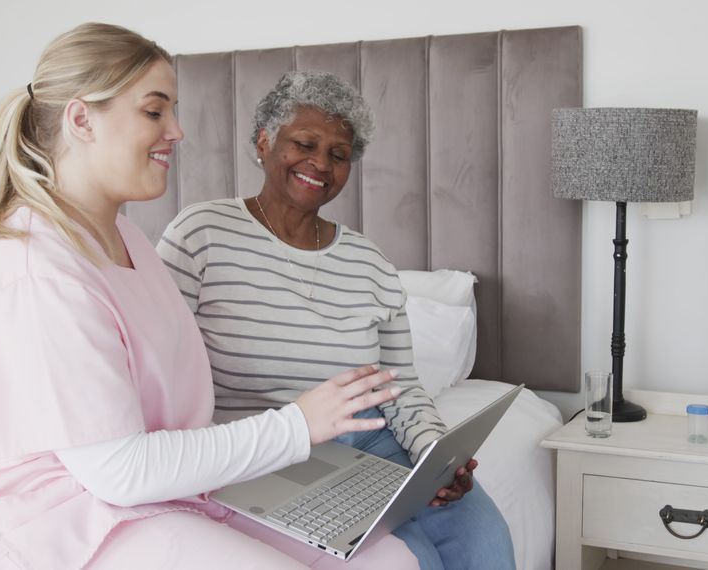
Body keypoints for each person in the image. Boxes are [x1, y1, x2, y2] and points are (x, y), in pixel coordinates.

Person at [0, 23, 419, 569]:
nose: (177, 131)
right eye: (154, 111)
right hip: (57, 514)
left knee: (392, 559)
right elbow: (117, 469)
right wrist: (298, 424)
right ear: (81, 119)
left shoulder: (129, 240)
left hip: (161, 487)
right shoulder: (35, 269)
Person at [157, 70, 517, 570]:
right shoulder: (201, 233)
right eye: (304, 143)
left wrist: (437, 456)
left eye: (339, 155)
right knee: (417, 561)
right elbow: (160, 366)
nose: (320, 164)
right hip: (265, 451)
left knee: (487, 543)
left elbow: (402, 386)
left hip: (373, 441)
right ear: (263, 142)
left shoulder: (369, 261)